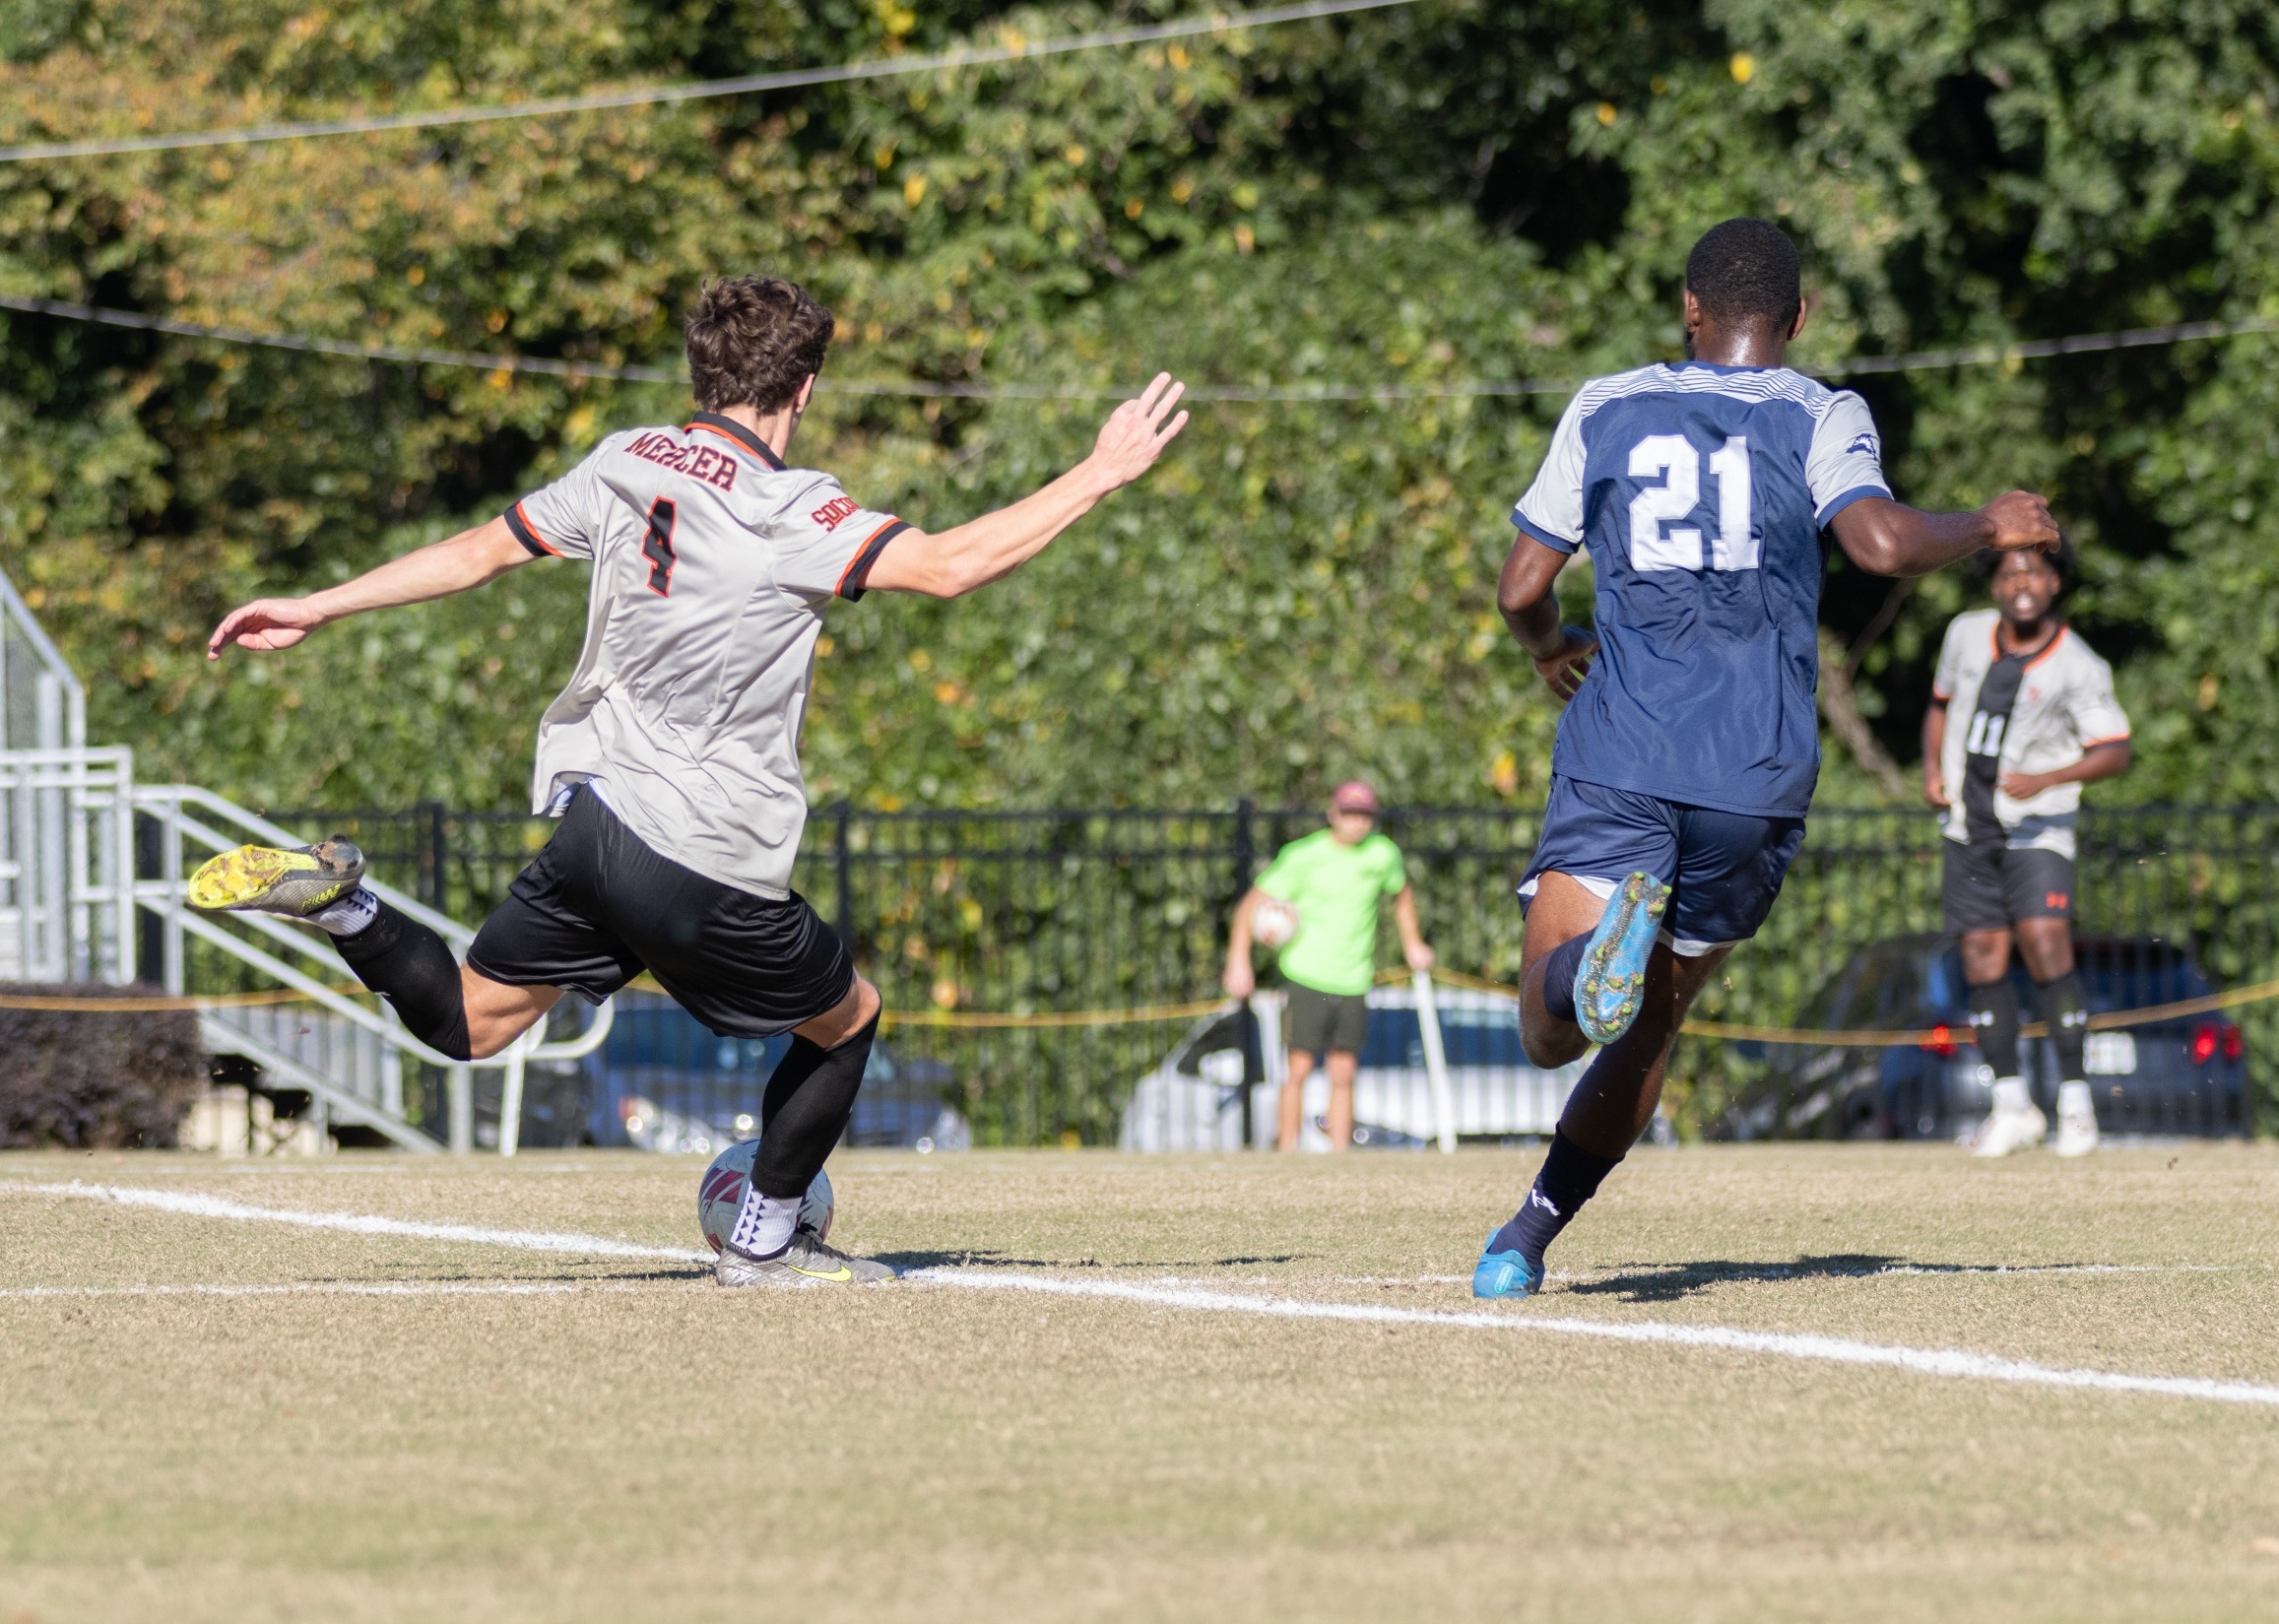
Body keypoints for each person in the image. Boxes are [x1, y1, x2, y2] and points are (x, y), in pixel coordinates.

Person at [187, 275, 1189, 1287]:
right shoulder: (790, 503)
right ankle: (764, 1239)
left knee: (468, 1019)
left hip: (598, 820)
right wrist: (1099, 472)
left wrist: (318, 602)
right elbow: (947, 566)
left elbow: (478, 551)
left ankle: (351, 905)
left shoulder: (627, 457)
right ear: (802, 388)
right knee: (849, 1020)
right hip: (702, 848)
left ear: (702, 371)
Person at [1474, 217, 2061, 1299]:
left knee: (1549, 1025)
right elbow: (1880, 544)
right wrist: (1988, 521)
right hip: (1755, 771)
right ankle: (1523, 1234)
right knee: (1649, 1023)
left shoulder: (1605, 403)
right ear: (1800, 318)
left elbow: (1519, 585)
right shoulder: (1821, 410)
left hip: (1624, 746)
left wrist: (1547, 645)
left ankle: (1582, 964)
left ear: (1688, 310)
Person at [1923, 546, 2130, 1158]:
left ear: (2055, 582)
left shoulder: (2077, 664)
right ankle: (2012, 1106)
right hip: (1969, 828)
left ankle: (2075, 1104)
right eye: (2010, 571)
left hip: (2037, 831)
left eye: (2034, 572)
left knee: (2045, 945)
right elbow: (1938, 707)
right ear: (1993, 582)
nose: (2022, 583)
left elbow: (2115, 749)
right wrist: (1931, 769)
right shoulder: (1964, 635)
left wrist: (2048, 778)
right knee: (1982, 958)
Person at [1221, 781, 1436, 1151]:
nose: (1358, 823)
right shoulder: (1302, 856)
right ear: (1333, 814)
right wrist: (1238, 962)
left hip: (1354, 979)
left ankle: (1340, 1158)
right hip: (1307, 976)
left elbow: (1401, 895)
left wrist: (1412, 943)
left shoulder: (1382, 855)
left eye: (1365, 815)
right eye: (1350, 814)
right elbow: (1247, 908)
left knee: (1343, 1072)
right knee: (1299, 1068)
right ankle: (1287, 1152)